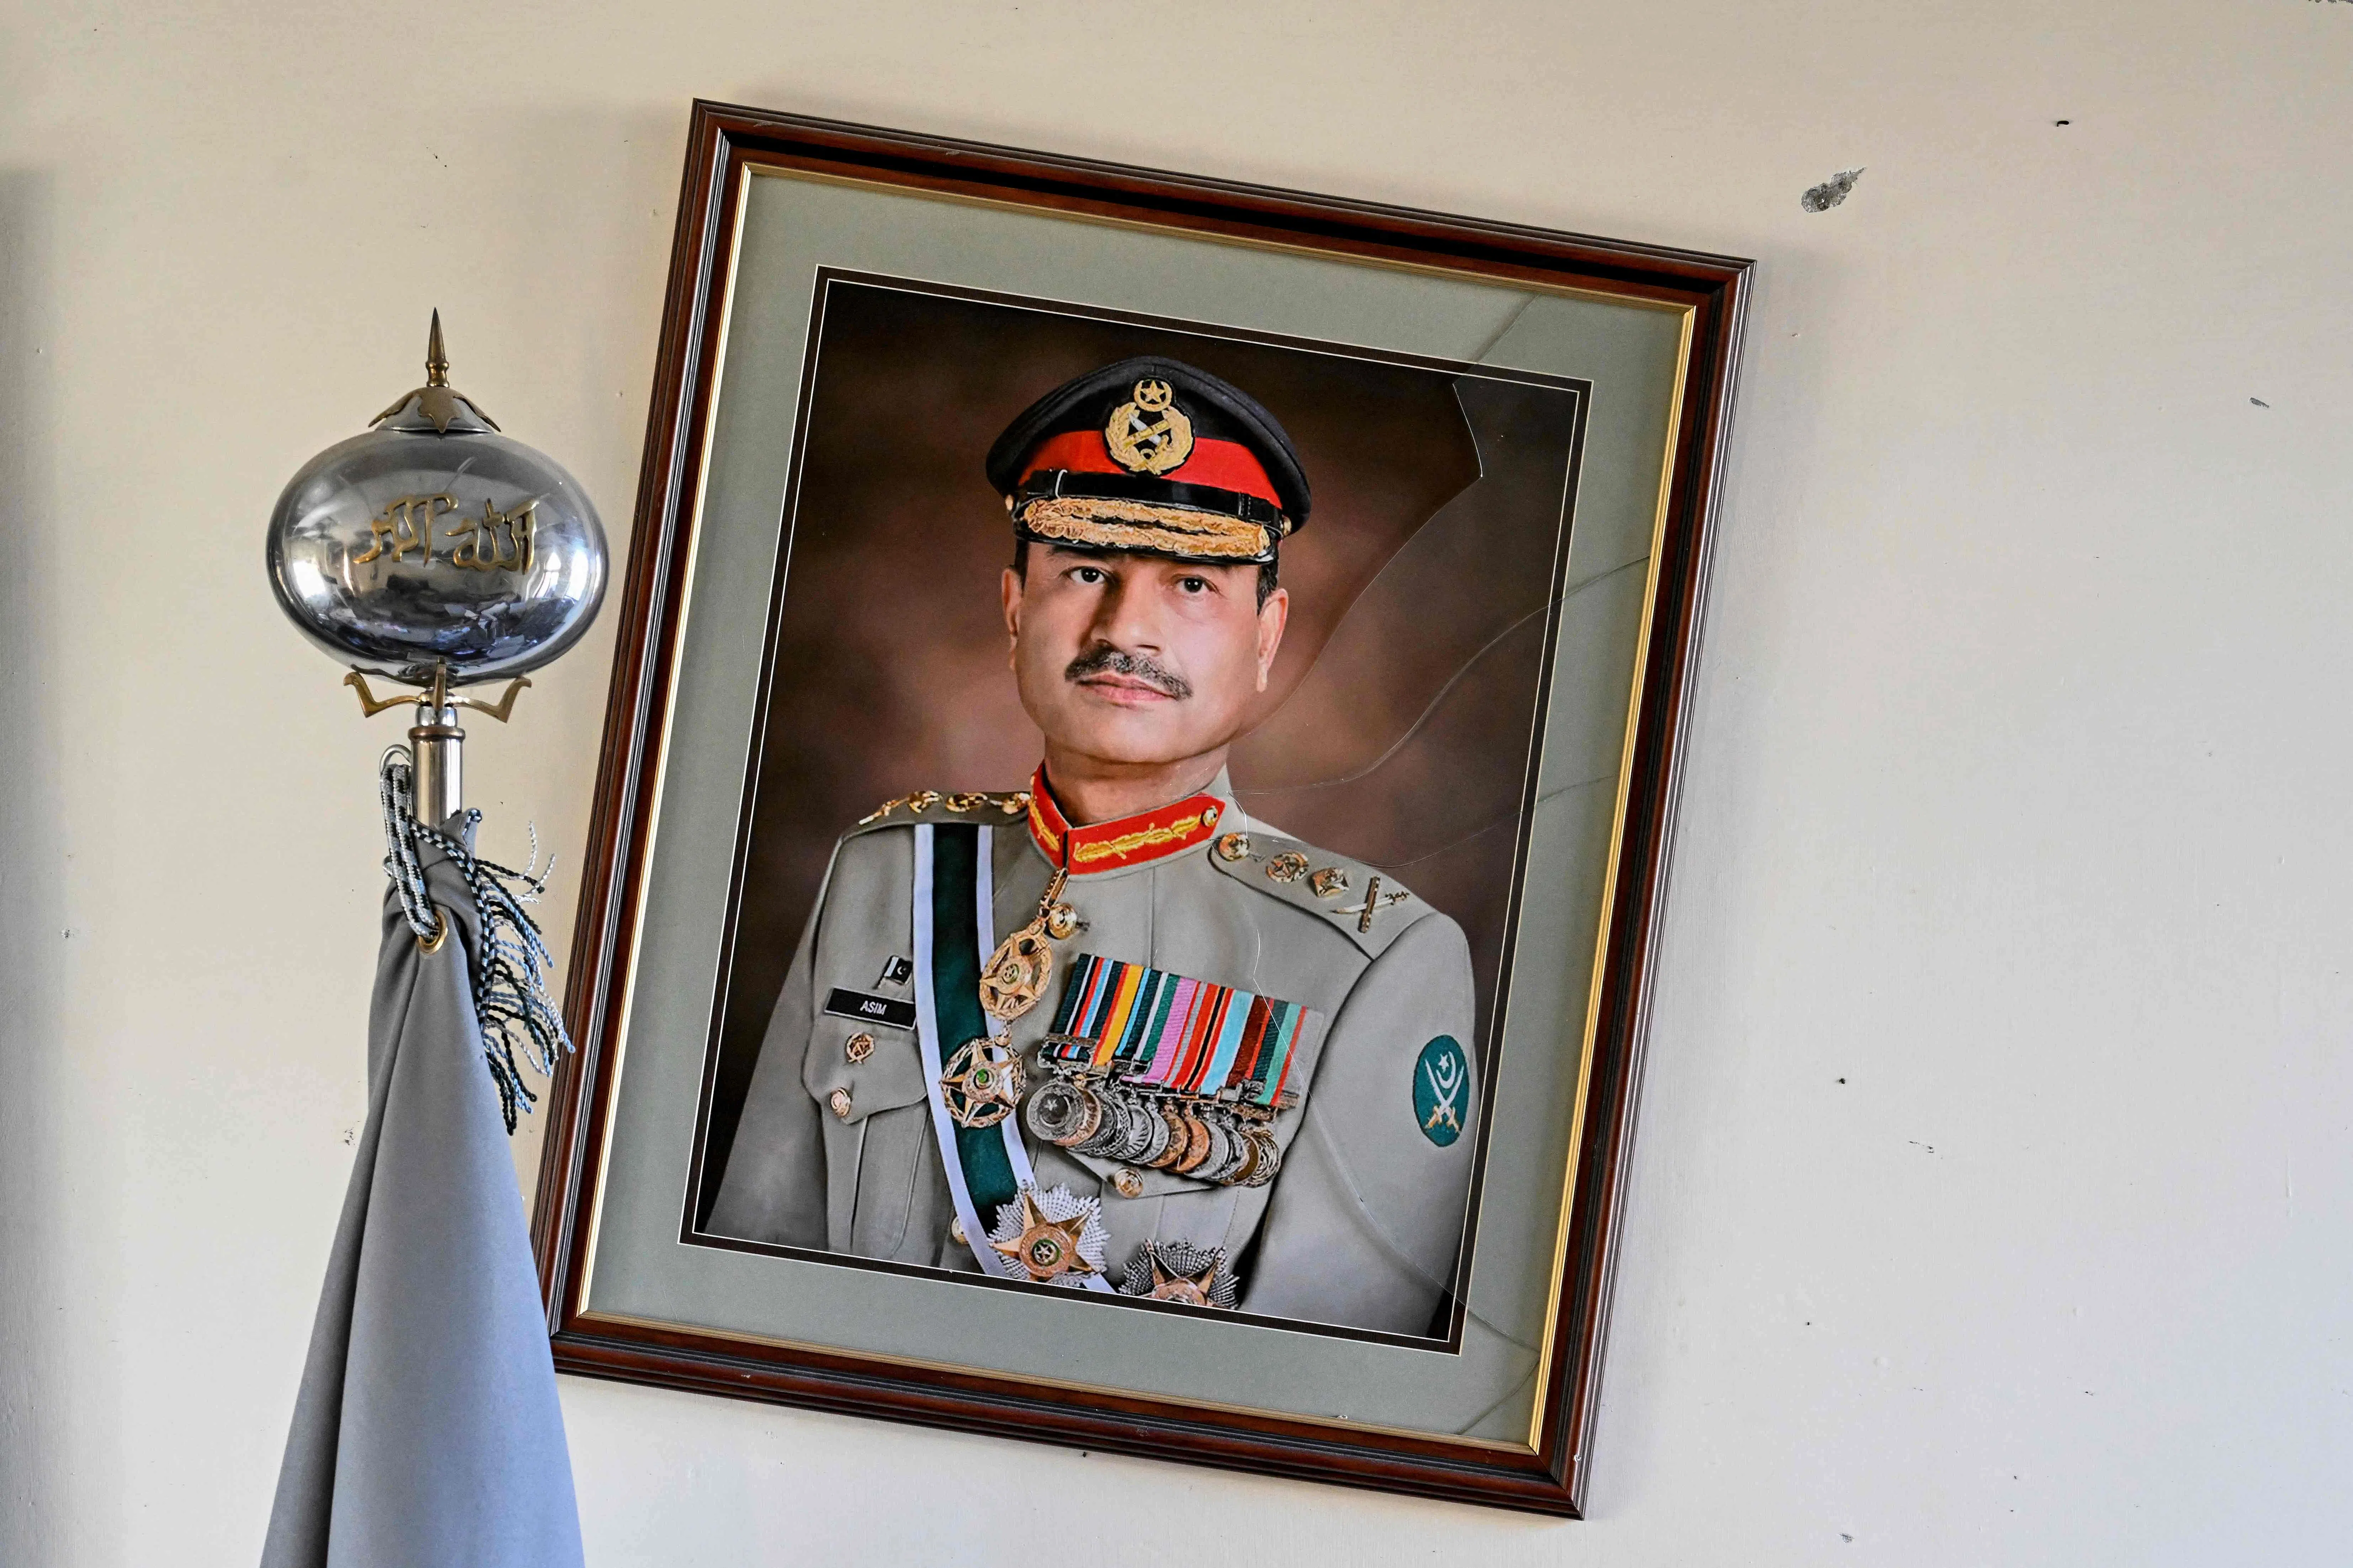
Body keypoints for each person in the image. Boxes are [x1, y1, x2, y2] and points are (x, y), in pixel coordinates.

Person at [707, 356, 1480, 1337]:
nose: (1127, 630)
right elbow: (745, 1286)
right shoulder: (884, 872)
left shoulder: (1375, 960)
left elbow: (1310, 1400)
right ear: (1015, 605)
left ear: (1267, 635)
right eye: (1085, 573)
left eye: (1194, 584)